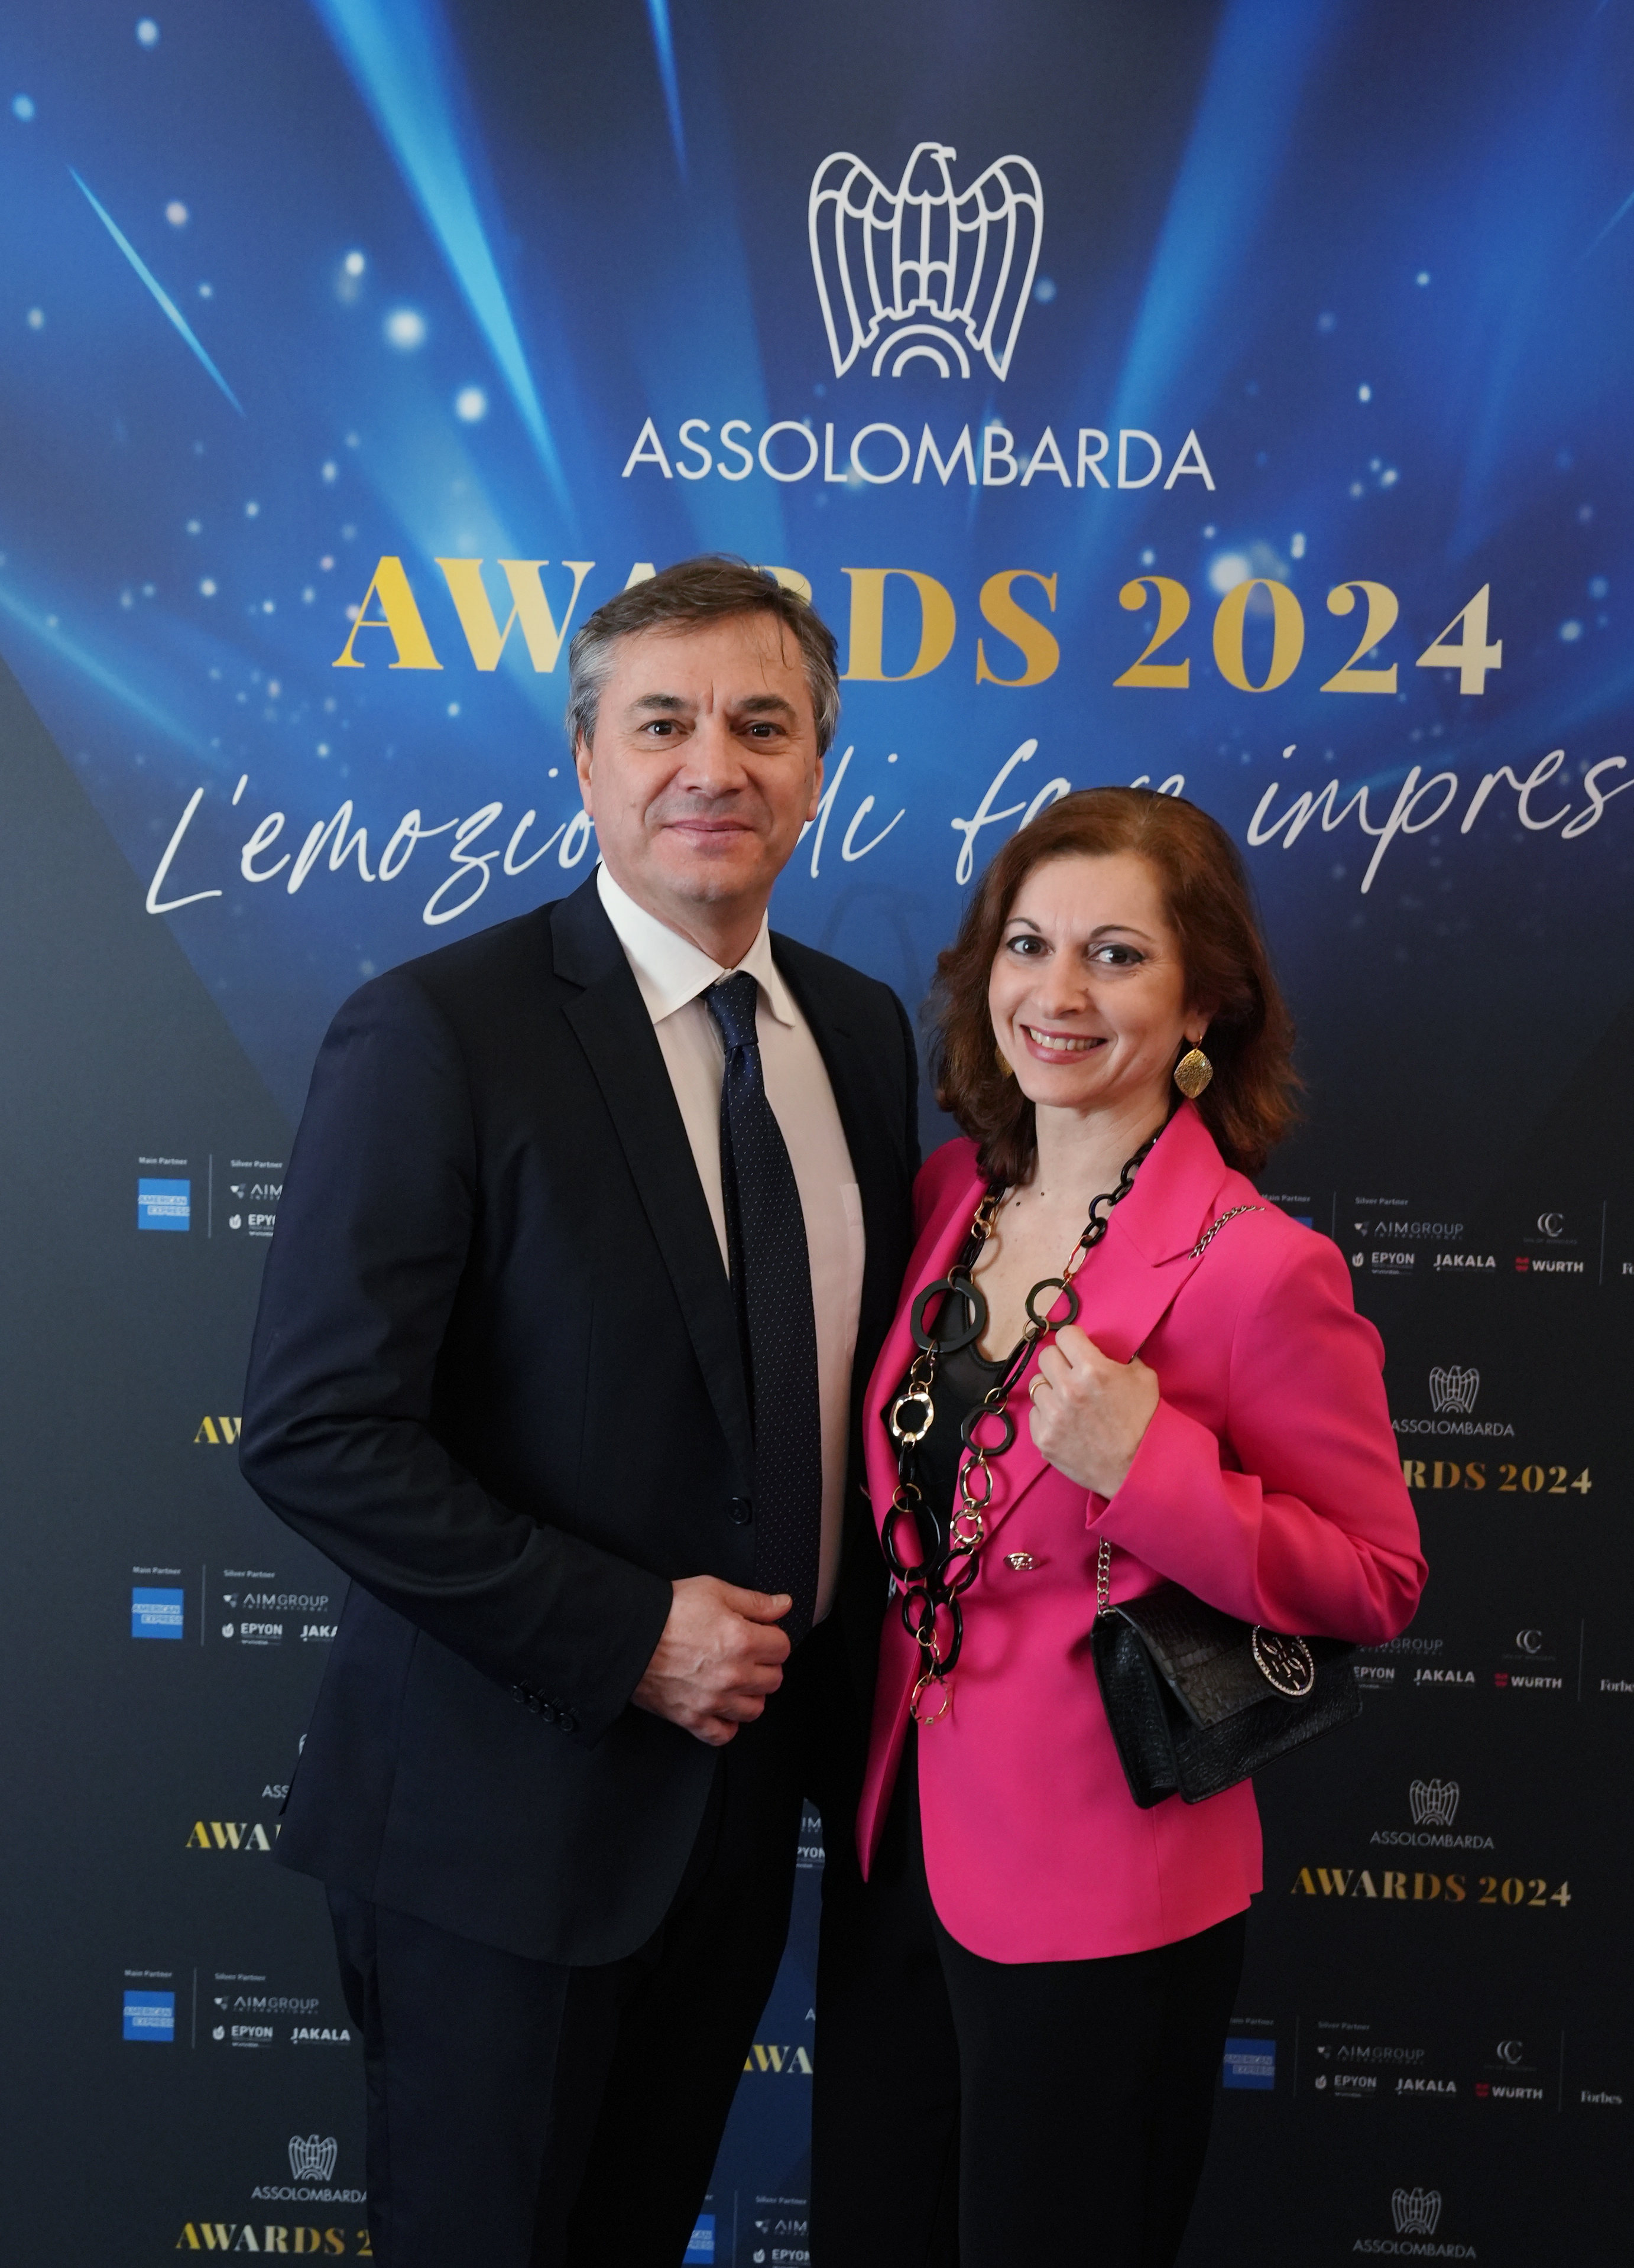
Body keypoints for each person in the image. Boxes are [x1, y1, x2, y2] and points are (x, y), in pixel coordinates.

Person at [238, 557, 919, 2268]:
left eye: (762, 725)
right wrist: (628, 1635)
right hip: (502, 1832)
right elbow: (318, 1428)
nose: (713, 765)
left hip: (742, 1825)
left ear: (818, 768)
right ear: (584, 759)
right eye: (662, 721)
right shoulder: (436, 1031)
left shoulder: (856, 1031)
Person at [810, 787, 1425, 2268]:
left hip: (1102, 1882)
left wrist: (1148, 1465)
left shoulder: (1260, 1269)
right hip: (899, 1838)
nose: (1058, 992)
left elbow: (1374, 1577)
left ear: (1203, 1001)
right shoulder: (950, 1194)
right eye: (1028, 944)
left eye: (1116, 954)